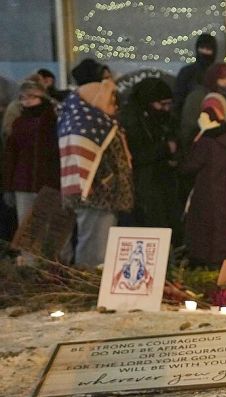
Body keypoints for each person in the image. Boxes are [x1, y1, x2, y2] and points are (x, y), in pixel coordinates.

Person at [59, 78, 134, 267]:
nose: (113, 104)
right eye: (109, 100)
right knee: (95, 251)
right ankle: (88, 288)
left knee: (102, 248)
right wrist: (106, 182)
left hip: (107, 197)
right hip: (97, 196)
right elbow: (84, 162)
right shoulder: (85, 124)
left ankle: (95, 286)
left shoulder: (99, 121)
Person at [180, 93, 226, 267]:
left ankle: (209, 273)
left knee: (207, 239)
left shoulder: (207, 142)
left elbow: (188, 166)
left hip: (207, 197)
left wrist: (201, 134)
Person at [118, 77, 180, 230]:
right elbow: (137, 154)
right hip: (143, 186)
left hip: (159, 182)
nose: (166, 108)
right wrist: (165, 149)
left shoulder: (160, 118)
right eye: (162, 104)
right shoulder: (132, 120)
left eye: (169, 104)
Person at [3, 79, 59, 224]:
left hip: (49, 181)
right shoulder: (19, 122)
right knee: (27, 230)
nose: (27, 101)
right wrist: (8, 186)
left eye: (31, 97)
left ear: (42, 97)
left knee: (51, 229)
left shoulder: (53, 121)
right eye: (23, 98)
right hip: (24, 181)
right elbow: (11, 155)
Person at [180, 63, 226, 149]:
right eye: (222, 79)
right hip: (201, 148)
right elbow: (188, 126)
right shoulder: (197, 98)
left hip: (225, 149)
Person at [174, 33, 218, 112]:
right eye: (202, 48)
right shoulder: (187, 72)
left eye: (208, 49)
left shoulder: (218, 72)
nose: (204, 52)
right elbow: (179, 99)